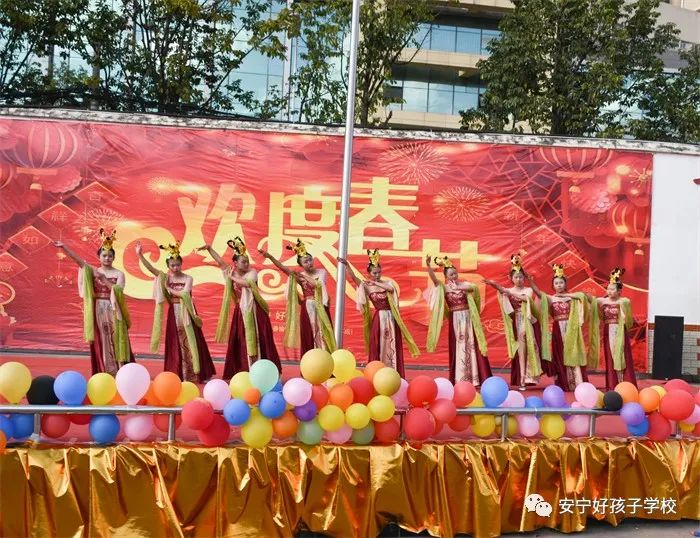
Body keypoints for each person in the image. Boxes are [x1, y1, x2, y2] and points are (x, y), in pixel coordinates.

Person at [53, 229, 134, 375]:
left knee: (116, 337)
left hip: (114, 309)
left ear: (114, 257)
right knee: (102, 337)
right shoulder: (94, 270)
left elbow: (118, 292)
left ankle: (122, 371)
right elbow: (80, 262)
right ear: (99, 257)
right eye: (104, 255)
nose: (107, 258)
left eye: (110, 256)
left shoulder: (119, 274)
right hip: (98, 309)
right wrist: (64, 248)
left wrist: (103, 279)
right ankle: (105, 371)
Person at [199, 238, 281, 380]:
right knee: (241, 340)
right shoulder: (231, 272)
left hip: (255, 311)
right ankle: (244, 370)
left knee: (261, 340)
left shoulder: (252, 272)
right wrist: (210, 249)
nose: (247, 264)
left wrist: (232, 278)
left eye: (247, 261)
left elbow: (248, 284)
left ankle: (264, 372)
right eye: (243, 262)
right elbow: (220, 262)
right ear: (235, 263)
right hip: (241, 312)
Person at [136, 240, 215, 383]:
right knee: (175, 342)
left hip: (187, 312)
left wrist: (169, 289)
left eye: (178, 264)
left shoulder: (188, 278)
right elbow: (152, 270)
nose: (175, 267)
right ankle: (178, 374)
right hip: (174, 312)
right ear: (168, 266)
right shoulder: (166, 278)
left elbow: (184, 294)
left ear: (181, 264)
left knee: (194, 341)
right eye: (172, 265)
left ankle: (198, 374)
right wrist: (140, 255)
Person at [338, 250, 418, 377]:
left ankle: (394, 373)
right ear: (369, 273)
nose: (377, 275)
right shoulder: (366, 286)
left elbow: (391, 289)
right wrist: (347, 266)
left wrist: (375, 282)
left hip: (391, 318)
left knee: (392, 344)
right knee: (378, 344)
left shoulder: (387, 284)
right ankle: (377, 374)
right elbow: (354, 279)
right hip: (379, 319)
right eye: (374, 273)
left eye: (379, 272)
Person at [258, 239, 336, 355]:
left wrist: (303, 277)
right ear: (301, 265)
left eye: (310, 260)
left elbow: (318, 285)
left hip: (320, 307)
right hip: (307, 308)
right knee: (309, 334)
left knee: (323, 334)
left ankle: (325, 358)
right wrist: (270, 257)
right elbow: (283, 268)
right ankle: (311, 359)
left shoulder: (321, 272)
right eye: (305, 262)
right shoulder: (300, 276)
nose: (309, 263)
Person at [425, 254, 491, 386]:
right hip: (455, 320)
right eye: (451, 275)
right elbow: (435, 281)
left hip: (468, 318)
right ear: (446, 276)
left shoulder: (465, 285)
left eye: (455, 273)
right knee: (459, 346)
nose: (454, 276)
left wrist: (458, 287)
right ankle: (461, 377)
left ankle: (476, 377)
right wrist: (428, 266)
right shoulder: (444, 288)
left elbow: (474, 288)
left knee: (472, 345)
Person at [484, 255, 543, 391]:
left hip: (527, 321)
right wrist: (494, 285)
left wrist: (508, 292)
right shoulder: (509, 290)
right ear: (511, 278)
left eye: (521, 277)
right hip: (516, 321)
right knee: (520, 351)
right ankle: (522, 379)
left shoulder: (528, 290)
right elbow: (501, 290)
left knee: (529, 349)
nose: (519, 279)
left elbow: (526, 299)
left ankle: (529, 377)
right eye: (516, 277)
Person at [530, 264, 588, 392]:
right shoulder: (551, 299)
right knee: (560, 354)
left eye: (561, 282)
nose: (559, 285)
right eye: (556, 283)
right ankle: (564, 382)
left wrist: (568, 296)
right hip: (558, 329)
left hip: (571, 329)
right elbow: (539, 294)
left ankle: (577, 382)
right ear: (553, 285)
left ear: (565, 284)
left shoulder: (573, 297)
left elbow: (585, 297)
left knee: (573, 352)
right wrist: (531, 283)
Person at [588, 268, 637, 391]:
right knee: (610, 357)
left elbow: (629, 319)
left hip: (620, 331)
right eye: (608, 289)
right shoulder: (602, 301)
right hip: (608, 330)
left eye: (612, 289)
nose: (609, 291)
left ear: (619, 291)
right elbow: (591, 302)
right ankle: (612, 385)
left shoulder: (624, 302)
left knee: (623, 356)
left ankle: (627, 385)